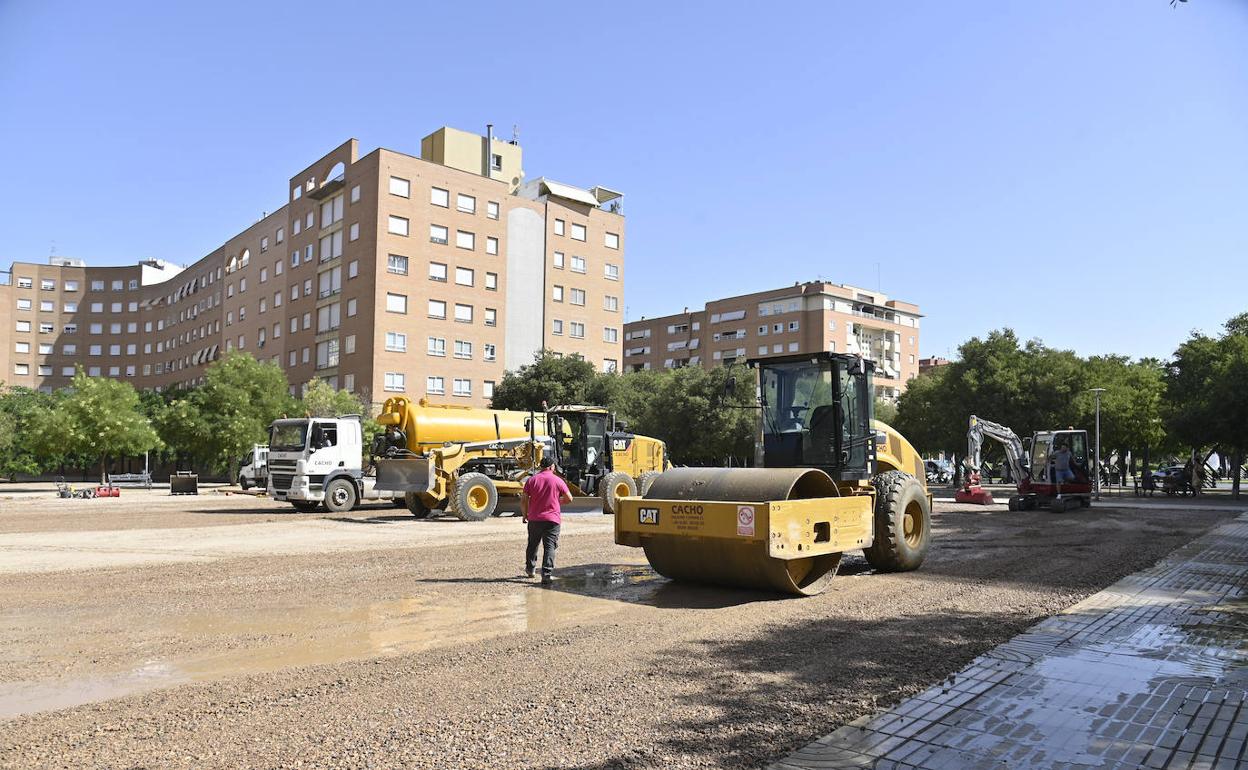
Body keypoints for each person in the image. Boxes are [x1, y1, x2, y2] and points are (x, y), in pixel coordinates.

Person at [521, 457, 573, 585]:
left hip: (534, 519)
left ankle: (530, 569)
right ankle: (546, 574)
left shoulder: (531, 480)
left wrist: (524, 514)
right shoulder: (557, 480)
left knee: (532, 544)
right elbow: (569, 498)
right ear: (551, 467)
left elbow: (524, 499)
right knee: (550, 546)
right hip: (552, 520)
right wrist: (557, 501)